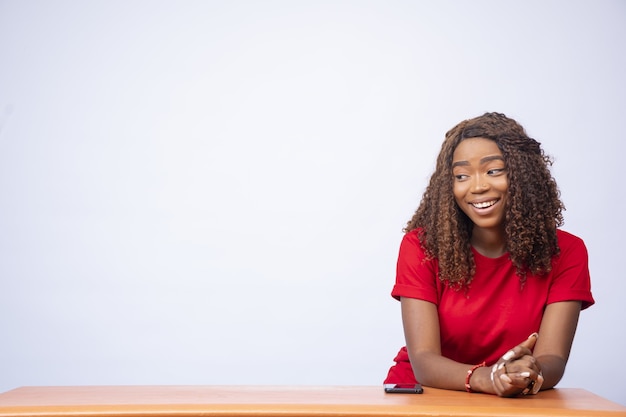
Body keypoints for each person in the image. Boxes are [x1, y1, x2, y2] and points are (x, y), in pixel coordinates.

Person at [384, 112, 594, 397]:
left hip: (512, 397)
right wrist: (487, 378)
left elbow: (553, 360)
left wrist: (527, 373)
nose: (478, 186)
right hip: (425, 392)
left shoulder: (567, 252)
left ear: (522, 175)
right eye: (461, 176)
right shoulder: (421, 247)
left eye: (493, 170)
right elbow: (423, 360)